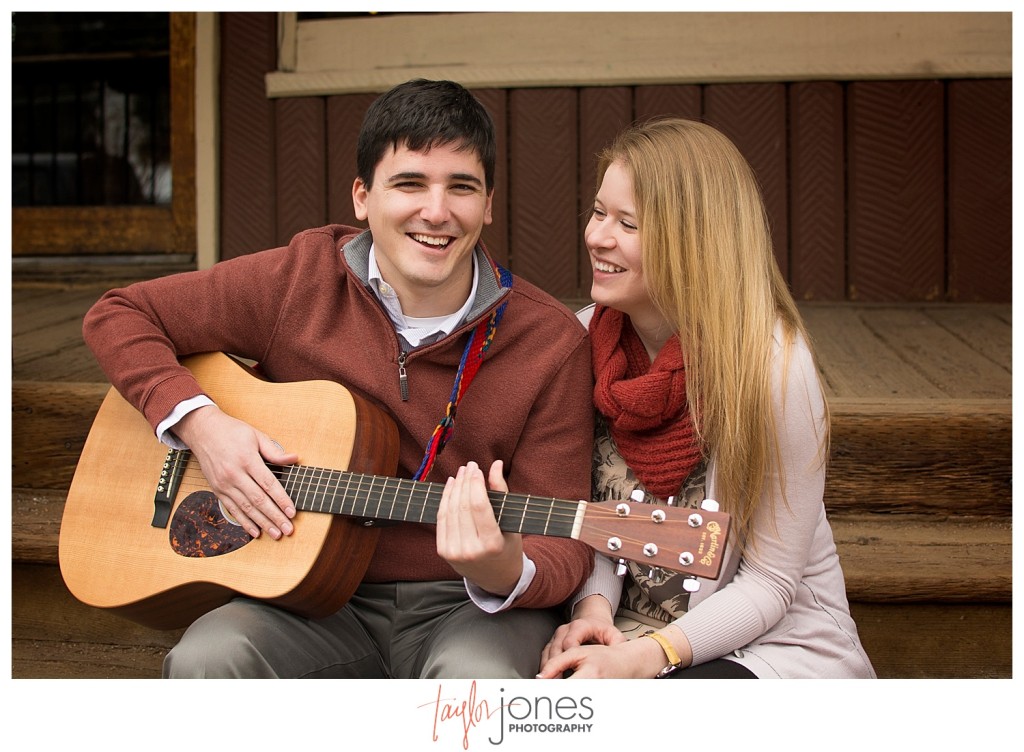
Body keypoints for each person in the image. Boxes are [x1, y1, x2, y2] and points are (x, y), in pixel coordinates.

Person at [81, 78, 595, 679]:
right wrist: (202, 428)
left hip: (471, 608)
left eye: (461, 187)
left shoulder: (550, 340)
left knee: (477, 693)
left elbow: (569, 539)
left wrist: (504, 567)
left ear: (488, 204)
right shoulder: (299, 278)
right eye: (409, 184)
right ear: (361, 196)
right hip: (305, 598)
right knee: (209, 660)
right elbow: (118, 314)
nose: (437, 211)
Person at [530, 118, 875, 678]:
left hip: (768, 646)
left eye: (628, 223)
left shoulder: (771, 367)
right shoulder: (583, 340)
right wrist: (591, 610)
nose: (597, 236)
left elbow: (771, 582)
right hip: (626, 633)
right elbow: (592, 514)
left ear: (695, 239)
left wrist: (646, 658)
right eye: (598, 212)